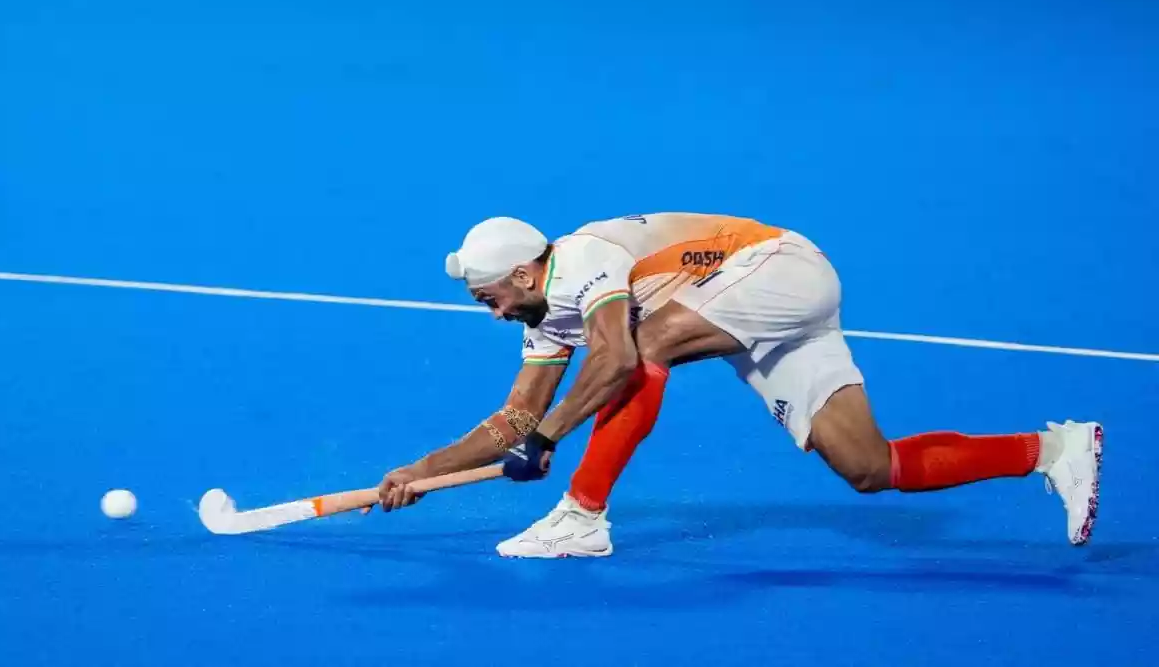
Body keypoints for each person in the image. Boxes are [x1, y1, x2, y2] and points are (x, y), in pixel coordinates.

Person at [375, 212, 1102, 558]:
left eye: (489, 297)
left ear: (526, 274)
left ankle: (584, 517)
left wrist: (549, 439)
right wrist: (419, 471)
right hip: (753, 307)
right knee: (867, 466)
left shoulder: (585, 259)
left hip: (779, 268)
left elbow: (619, 360)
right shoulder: (546, 319)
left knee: (642, 343)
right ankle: (1050, 450)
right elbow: (514, 418)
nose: (492, 311)